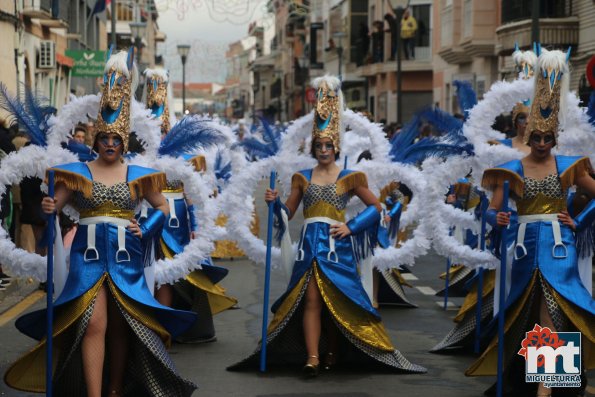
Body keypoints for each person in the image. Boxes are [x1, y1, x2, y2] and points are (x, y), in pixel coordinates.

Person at [4, 49, 197, 397]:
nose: (110, 144)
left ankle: (114, 388)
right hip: (87, 256)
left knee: (123, 325)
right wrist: (50, 206)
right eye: (104, 139)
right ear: (95, 140)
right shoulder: (76, 174)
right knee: (94, 323)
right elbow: (55, 206)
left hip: (126, 255)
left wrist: (148, 227)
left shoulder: (140, 175)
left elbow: (162, 208)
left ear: (125, 141)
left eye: (116, 139)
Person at [228, 75, 426, 376]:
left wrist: (352, 227)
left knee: (338, 300)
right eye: (319, 145)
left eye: (328, 144)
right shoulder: (302, 178)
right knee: (309, 299)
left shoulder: (351, 177)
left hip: (337, 245)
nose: (323, 149)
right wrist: (273, 203)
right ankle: (313, 357)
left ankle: (333, 349)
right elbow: (289, 213)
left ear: (336, 146)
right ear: (313, 147)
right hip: (309, 246)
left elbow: (377, 208)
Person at [466, 49, 595, 397]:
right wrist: (500, 216)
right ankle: (544, 381)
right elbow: (489, 212)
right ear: (527, 133)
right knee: (527, 313)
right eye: (535, 137)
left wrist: (580, 221)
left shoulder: (570, 165)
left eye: (547, 138)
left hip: (557, 244)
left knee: (553, 307)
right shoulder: (510, 168)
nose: (540, 143)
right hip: (523, 246)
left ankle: (546, 386)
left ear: (555, 137)